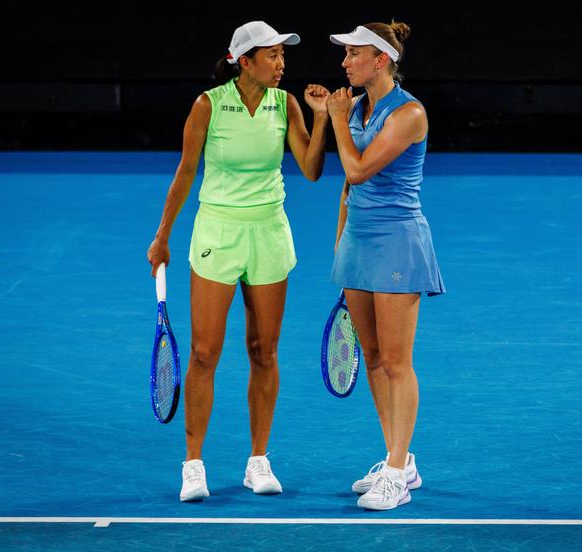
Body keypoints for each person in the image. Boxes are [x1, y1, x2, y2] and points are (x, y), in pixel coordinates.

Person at [146, 21, 330, 502]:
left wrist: (322, 117)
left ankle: (258, 460)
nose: (282, 63)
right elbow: (186, 172)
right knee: (205, 352)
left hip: (269, 233)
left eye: (283, 56)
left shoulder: (286, 104)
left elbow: (311, 170)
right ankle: (193, 463)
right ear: (244, 61)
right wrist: (162, 235)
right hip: (217, 234)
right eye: (272, 56)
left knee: (264, 351)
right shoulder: (208, 105)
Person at [326, 20, 445, 510]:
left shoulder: (409, 113)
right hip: (357, 243)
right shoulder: (358, 105)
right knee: (372, 357)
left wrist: (333, 116)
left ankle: (397, 472)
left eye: (353, 55)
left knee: (396, 362)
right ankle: (400, 458)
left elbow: (356, 167)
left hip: (398, 242)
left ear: (380, 60)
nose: (344, 62)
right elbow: (348, 189)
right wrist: (340, 249)